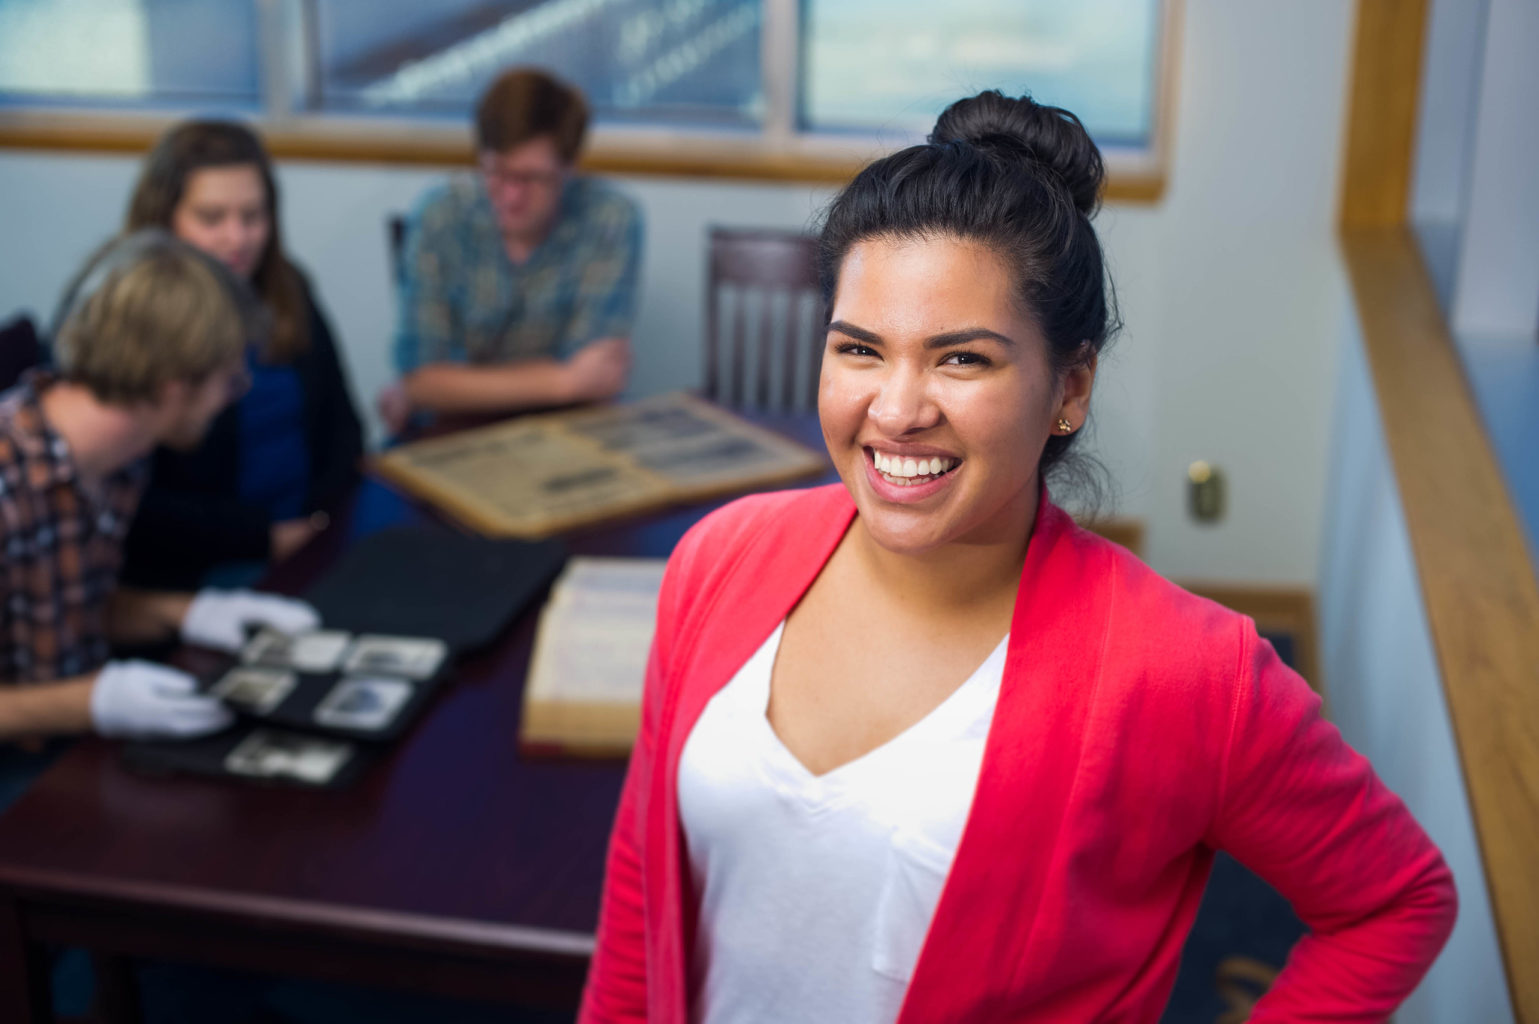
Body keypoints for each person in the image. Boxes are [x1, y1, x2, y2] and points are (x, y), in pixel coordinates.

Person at [580, 92, 1456, 1023]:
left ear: (1068, 386)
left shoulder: (1187, 674)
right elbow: (644, 877)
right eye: (860, 350)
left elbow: (1394, 901)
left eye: (961, 360)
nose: (895, 408)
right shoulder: (721, 556)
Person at [0, 230, 319, 750]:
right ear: (173, 386)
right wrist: (91, 702)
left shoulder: (122, 459)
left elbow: (63, 605)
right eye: (228, 380)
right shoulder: (9, 485)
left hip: (65, 744)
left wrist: (186, 612)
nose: (230, 397)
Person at [119, 120, 364, 590]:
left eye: (253, 216)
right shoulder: (131, 322)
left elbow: (343, 429)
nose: (238, 238)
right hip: (202, 571)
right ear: (164, 219)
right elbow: (133, 505)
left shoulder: (288, 288)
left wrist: (319, 529)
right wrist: (263, 539)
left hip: (313, 542)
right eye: (212, 218)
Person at [379, 67, 643, 434]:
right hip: (452, 435)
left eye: (532, 178)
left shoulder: (611, 218)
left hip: (564, 437)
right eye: (497, 173)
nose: (511, 196)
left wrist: (453, 384)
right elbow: (421, 381)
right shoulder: (441, 215)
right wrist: (563, 381)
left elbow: (598, 380)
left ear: (569, 168)